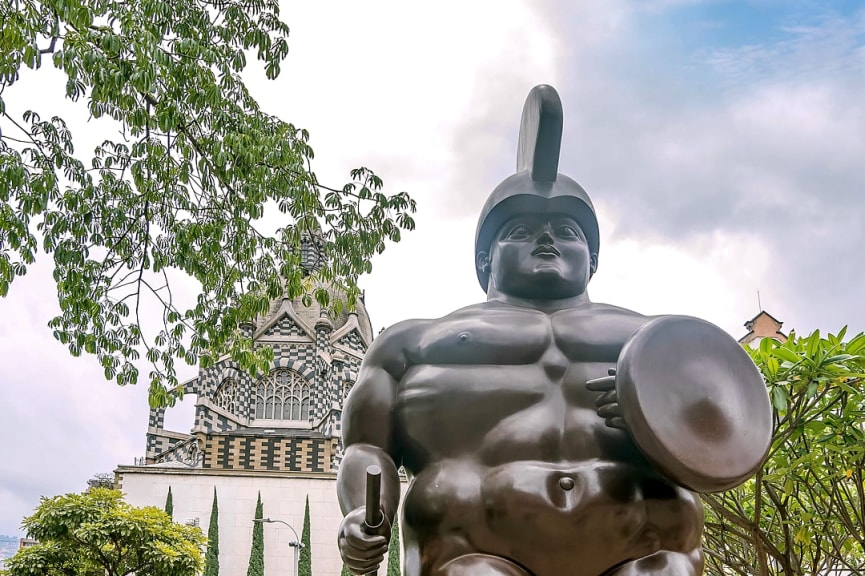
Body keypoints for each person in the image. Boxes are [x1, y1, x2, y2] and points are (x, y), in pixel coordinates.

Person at [336, 85, 766, 576]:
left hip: (648, 555)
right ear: (485, 260)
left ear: (595, 259)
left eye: (568, 231)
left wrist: (658, 417)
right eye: (520, 230)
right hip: (472, 555)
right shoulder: (412, 343)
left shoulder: (664, 345)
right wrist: (362, 512)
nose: (546, 238)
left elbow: (732, 434)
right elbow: (366, 447)